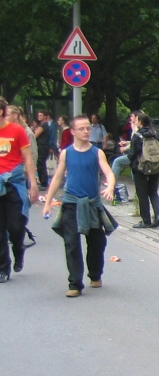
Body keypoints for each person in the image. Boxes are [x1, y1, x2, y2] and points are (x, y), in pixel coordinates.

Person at [42, 115, 118, 297]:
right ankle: (75, 284)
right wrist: (48, 202)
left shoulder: (97, 152)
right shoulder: (66, 153)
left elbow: (109, 173)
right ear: (73, 131)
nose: (86, 131)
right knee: (71, 243)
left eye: (88, 128)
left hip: (92, 204)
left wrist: (110, 187)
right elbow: (58, 178)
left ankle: (95, 274)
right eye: (82, 128)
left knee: (97, 243)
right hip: (71, 203)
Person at [0, 98, 38, 283]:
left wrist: (33, 184)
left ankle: (18, 248)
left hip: (14, 183)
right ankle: (3, 268)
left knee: (16, 225)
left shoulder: (17, 131)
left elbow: (28, 158)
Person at [127, 112, 159, 228]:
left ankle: (146, 220)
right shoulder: (156, 134)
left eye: (136, 119)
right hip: (155, 167)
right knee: (153, 192)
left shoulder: (137, 136)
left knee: (142, 194)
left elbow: (132, 153)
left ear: (140, 122)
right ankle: (158, 214)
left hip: (141, 168)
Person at [33, 109, 53, 187]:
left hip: (42, 146)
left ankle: (44, 182)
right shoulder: (43, 125)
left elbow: (36, 135)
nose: (39, 117)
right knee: (41, 164)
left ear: (45, 116)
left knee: (41, 164)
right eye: (39, 115)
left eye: (41, 115)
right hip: (42, 145)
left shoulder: (44, 125)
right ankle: (43, 181)